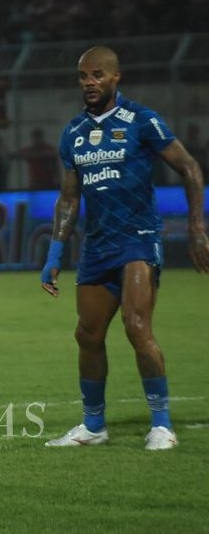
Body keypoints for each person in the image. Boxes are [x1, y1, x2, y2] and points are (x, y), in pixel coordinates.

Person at [41, 46, 209, 451]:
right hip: (98, 246)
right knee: (87, 334)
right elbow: (68, 198)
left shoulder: (142, 120)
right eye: (83, 76)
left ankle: (162, 425)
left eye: (97, 75)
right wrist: (54, 253)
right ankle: (94, 426)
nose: (89, 83)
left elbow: (188, 167)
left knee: (137, 327)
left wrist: (197, 226)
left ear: (116, 78)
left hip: (138, 237)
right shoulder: (73, 133)